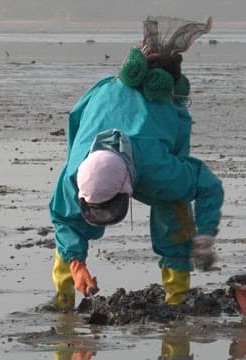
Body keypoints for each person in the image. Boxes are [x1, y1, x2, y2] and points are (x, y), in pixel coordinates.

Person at [48, 16, 223, 310]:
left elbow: (209, 186)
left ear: (129, 187)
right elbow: (64, 218)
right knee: (69, 222)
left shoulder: (160, 171)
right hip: (109, 99)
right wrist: (77, 263)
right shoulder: (75, 173)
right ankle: (63, 300)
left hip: (155, 129)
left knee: (174, 210)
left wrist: (204, 234)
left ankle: (176, 300)